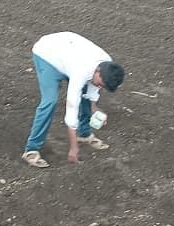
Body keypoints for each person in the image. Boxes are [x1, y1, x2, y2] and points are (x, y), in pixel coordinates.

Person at [22, 32, 125, 168]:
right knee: (50, 101)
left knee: (88, 90)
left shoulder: (107, 65)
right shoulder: (81, 71)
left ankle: (84, 134)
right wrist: (73, 148)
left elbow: (93, 90)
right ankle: (31, 149)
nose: (100, 87)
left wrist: (95, 109)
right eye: (101, 83)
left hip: (69, 54)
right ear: (98, 71)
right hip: (47, 55)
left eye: (103, 86)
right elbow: (71, 108)